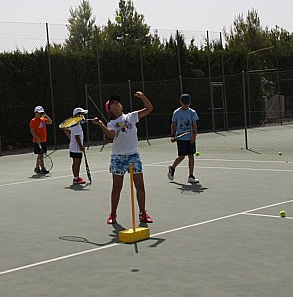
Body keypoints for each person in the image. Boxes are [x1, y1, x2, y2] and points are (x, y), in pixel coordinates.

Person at [92, 92, 154, 225]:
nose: (116, 103)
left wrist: (143, 97)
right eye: (113, 102)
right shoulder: (112, 123)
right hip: (118, 157)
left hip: (134, 156)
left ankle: (143, 213)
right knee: (117, 187)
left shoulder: (131, 117)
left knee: (140, 186)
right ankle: (113, 214)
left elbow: (149, 109)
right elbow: (110, 135)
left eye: (117, 101)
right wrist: (101, 124)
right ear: (110, 109)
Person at [168, 93, 200, 184]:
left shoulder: (192, 112)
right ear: (180, 102)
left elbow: (194, 125)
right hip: (181, 138)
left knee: (191, 156)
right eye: (184, 103)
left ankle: (191, 176)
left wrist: (194, 136)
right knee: (182, 156)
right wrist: (173, 135)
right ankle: (172, 167)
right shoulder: (176, 113)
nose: (186, 105)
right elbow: (173, 125)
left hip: (190, 138)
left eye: (188, 103)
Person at [63, 107, 87, 185]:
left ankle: (76, 177)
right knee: (77, 162)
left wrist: (70, 138)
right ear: (77, 115)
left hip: (73, 146)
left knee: (75, 162)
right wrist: (80, 146)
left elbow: (65, 129)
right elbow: (77, 136)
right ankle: (76, 179)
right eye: (81, 114)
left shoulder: (74, 124)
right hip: (76, 148)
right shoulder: (77, 126)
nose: (83, 116)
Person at [29, 106, 53, 174]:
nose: (40, 114)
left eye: (41, 113)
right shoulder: (33, 121)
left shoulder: (43, 119)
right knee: (40, 154)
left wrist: (45, 115)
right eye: (39, 113)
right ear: (35, 113)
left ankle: (37, 168)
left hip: (43, 140)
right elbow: (32, 131)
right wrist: (37, 138)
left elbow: (50, 122)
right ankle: (42, 168)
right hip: (37, 141)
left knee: (40, 154)